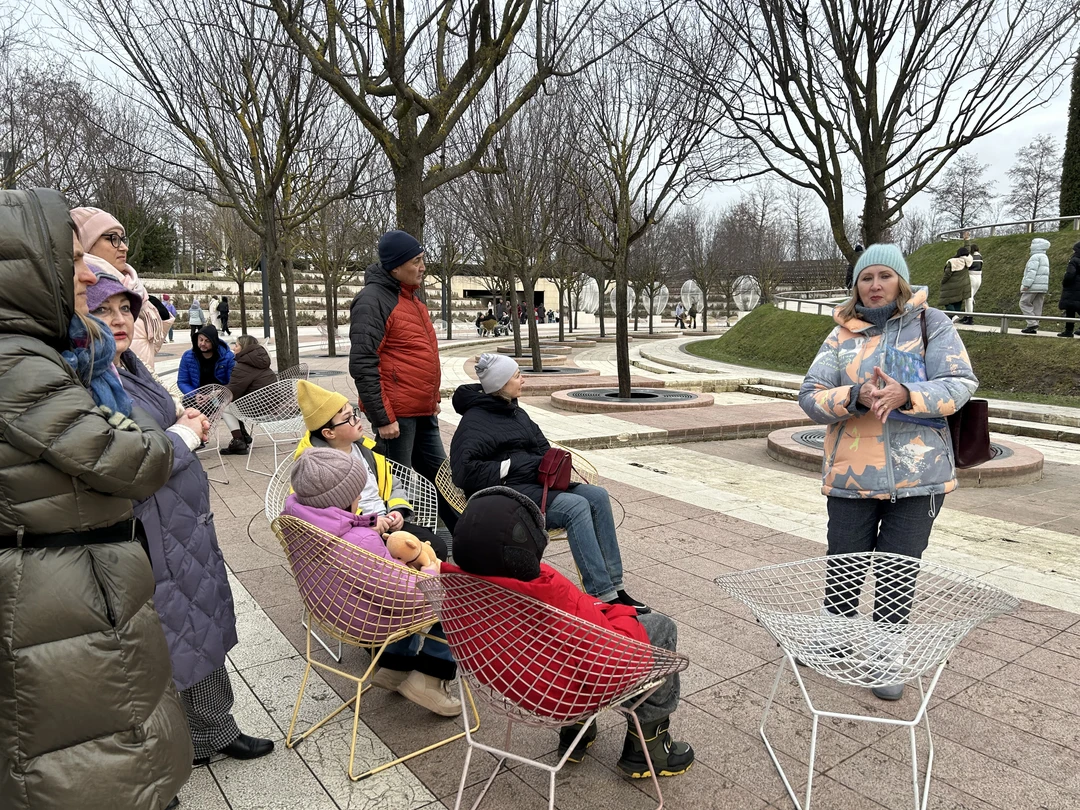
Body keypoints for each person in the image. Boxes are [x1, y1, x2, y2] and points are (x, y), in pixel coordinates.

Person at [0, 189, 190, 810]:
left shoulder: (36, 356)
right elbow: (131, 456)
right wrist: (168, 435)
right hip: (64, 604)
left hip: (68, 593)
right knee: (97, 762)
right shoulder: (19, 365)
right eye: (72, 257)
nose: (88, 273)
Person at [89, 272, 275, 769]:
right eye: (102, 310)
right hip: (150, 525)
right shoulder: (87, 378)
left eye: (124, 309)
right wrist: (185, 434)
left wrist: (181, 414)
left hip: (181, 522)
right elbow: (124, 460)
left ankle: (216, 728)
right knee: (168, 639)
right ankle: (172, 752)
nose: (118, 320)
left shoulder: (126, 365)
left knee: (199, 625)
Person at [798, 244, 977, 701]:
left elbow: (960, 383)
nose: (874, 286)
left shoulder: (931, 323)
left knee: (899, 566)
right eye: (865, 278)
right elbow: (809, 395)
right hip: (852, 473)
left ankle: (884, 653)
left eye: (884, 276)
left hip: (919, 475)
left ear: (900, 280)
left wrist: (908, 395)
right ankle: (833, 636)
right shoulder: (840, 335)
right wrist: (853, 396)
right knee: (845, 558)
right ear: (855, 285)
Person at [447, 487, 694, 777]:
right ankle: (647, 747)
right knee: (661, 627)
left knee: (562, 644)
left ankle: (575, 735)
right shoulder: (544, 591)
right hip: (564, 694)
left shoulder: (455, 587)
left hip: (519, 685)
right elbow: (608, 657)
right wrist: (622, 614)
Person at [450, 352, 648, 613]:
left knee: (597, 495)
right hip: (506, 497)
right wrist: (513, 465)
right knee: (575, 507)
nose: (523, 380)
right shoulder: (474, 421)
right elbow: (464, 473)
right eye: (517, 375)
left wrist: (551, 462)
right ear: (500, 383)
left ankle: (616, 584)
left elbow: (540, 445)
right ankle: (602, 595)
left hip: (534, 483)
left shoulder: (514, 411)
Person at [283, 447, 461, 716]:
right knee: (453, 597)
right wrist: (430, 570)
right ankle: (431, 679)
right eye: (357, 492)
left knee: (408, 581)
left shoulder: (300, 520)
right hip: (368, 619)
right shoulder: (360, 542)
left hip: (331, 607)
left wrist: (365, 524)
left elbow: (367, 564)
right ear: (343, 499)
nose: (360, 496)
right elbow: (409, 594)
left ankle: (395, 666)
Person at [349, 229, 456, 531]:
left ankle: (465, 539)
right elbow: (363, 363)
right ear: (395, 267)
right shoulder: (372, 301)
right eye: (417, 261)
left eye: (423, 259)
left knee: (442, 478)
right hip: (396, 417)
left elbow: (421, 356)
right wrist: (383, 418)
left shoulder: (411, 298)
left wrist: (432, 400)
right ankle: (398, 550)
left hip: (421, 410)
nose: (423, 267)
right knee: (397, 487)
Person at [292, 380, 447, 559]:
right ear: (329, 433)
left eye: (354, 413)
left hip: (386, 521)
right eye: (348, 418)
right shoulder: (316, 468)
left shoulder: (366, 449)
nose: (357, 420)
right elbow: (320, 516)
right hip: (354, 537)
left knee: (436, 548)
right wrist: (367, 523)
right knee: (405, 564)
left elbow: (392, 483)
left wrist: (397, 511)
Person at [70, 205, 173, 370]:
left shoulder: (135, 288)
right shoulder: (78, 293)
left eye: (125, 307)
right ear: (85, 243)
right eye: (113, 238)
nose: (124, 247)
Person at [219, 334, 276, 454]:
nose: (233, 348)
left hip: (258, 409)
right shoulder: (260, 360)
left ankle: (238, 440)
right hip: (273, 404)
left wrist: (215, 394)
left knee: (224, 406)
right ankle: (243, 436)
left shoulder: (243, 366)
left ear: (244, 347)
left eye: (236, 345)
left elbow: (232, 391)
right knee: (232, 403)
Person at [178, 323, 236, 395]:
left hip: (220, 396)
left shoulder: (228, 357)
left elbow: (232, 383)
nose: (203, 343)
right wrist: (195, 395)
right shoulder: (188, 356)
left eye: (207, 341)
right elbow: (183, 382)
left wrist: (218, 394)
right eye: (201, 340)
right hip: (196, 395)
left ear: (214, 342)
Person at [1019, 237, 1051, 334]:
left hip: (1033, 286)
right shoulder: (1044, 257)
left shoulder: (1035, 257)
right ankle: (1034, 326)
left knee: (1023, 303)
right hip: (1042, 286)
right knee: (1038, 305)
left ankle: (1032, 323)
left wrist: (1026, 285)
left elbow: (1031, 272)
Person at [939, 246, 971, 317]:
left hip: (951, 285)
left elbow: (947, 274)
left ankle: (953, 316)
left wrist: (942, 281)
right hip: (963, 285)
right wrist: (967, 240)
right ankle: (955, 316)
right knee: (958, 301)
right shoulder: (968, 262)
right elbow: (969, 248)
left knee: (947, 301)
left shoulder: (952, 262)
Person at [1058, 241, 1080, 338]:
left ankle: (1068, 330)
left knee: (1070, 309)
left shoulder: (1074, 260)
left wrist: (1065, 283)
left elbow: (1070, 275)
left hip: (1073, 288)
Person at [960, 243, 982, 325]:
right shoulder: (980, 256)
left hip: (971, 277)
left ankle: (969, 318)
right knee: (970, 298)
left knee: (969, 298)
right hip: (979, 277)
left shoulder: (971, 257)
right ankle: (966, 315)